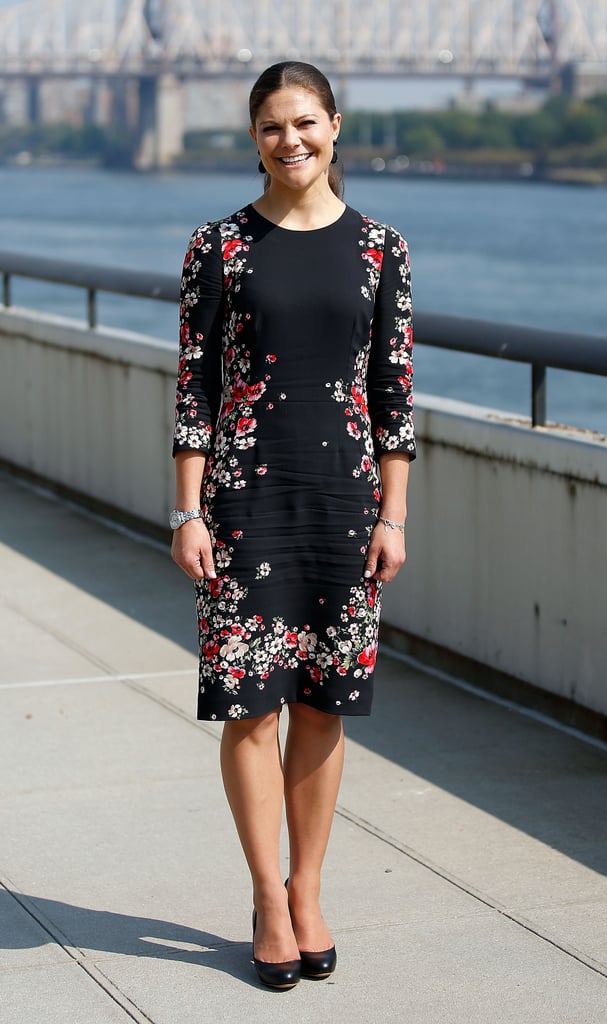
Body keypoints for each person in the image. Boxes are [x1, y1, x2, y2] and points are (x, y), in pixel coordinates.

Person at [170, 60, 415, 990]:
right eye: (273, 127)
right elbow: (195, 385)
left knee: (322, 703)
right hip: (242, 503)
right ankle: (267, 903)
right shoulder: (218, 247)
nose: (292, 141)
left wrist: (393, 516)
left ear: (335, 127)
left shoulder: (381, 248)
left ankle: (307, 887)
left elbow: (393, 398)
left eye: (305, 123)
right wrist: (187, 509)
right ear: (253, 137)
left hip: (345, 505)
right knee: (248, 705)